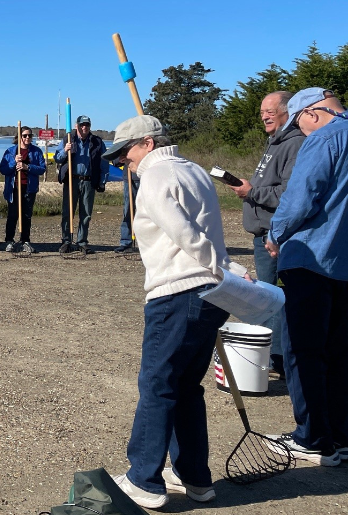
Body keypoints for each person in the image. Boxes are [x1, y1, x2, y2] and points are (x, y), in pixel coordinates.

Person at [107, 114, 241, 510]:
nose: (122, 162)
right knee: (184, 387)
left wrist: (219, 267)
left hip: (179, 290)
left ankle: (144, 479)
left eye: (125, 153)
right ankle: (195, 478)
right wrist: (222, 274)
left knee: (157, 384)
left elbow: (184, 231)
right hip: (208, 294)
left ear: (147, 143)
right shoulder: (194, 171)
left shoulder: (157, 175)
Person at [266, 88, 348, 466]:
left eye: (300, 124)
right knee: (339, 353)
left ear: (312, 114)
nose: (303, 132)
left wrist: (275, 233)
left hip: (312, 259)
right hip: (344, 266)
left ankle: (313, 438)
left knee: (303, 349)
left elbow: (300, 197)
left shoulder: (324, 140)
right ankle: (341, 437)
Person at [224, 90, 302, 379]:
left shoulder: (295, 143)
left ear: (287, 112)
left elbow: (291, 193)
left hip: (277, 234)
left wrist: (252, 192)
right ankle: (272, 355)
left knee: (274, 296)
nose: (265, 116)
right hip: (264, 233)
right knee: (267, 294)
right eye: (261, 112)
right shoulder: (275, 142)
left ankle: (280, 359)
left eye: (270, 111)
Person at [56, 114, 108, 254]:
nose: (84, 127)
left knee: (86, 214)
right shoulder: (68, 139)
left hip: (89, 181)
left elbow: (104, 162)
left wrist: (102, 181)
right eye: (81, 125)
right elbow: (57, 158)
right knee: (67, 212)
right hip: (72, 180)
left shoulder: (97, 141)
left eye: (87, 125)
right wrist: (65, 150)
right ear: (76, 126)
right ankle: (66, 241)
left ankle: (82, 242)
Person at [0, 126, 46, 254]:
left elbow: (42, 169)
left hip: (29, 188)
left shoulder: (36, 151)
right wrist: (14, 162)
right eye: (24, 135)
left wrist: (27, 167)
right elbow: (3, 169)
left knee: (26, 216)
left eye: (29, 136)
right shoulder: (10, 151)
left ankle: (25, 241)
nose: (27, 138)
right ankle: (9, 240)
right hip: (14, 187)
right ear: (19, 137)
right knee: (13, 215)